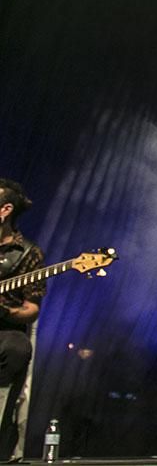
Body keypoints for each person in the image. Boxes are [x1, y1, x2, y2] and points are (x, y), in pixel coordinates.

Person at [0, 179, 45, 458]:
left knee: (16, 349)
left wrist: (6, 311)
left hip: (5, 328)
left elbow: (32, 308)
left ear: (5, 210)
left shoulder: (29, 254)